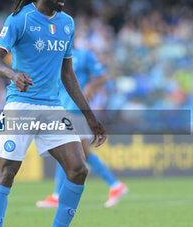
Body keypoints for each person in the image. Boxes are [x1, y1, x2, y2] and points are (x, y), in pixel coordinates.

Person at [0, 0, 106, 227]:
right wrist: (13, 74)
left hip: (52, 108)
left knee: (78, 169)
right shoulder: (20, 19)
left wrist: (89, 117)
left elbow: (68, 74)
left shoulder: (67, 24)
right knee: (7, 172)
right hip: (20, 106)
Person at [36, 47, 128, 209]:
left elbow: (103, 76)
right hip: (64, 108)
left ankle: (58, 195)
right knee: (81, 152)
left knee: (63, 147)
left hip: (75, 108)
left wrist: (91, 87)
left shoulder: (84, 56)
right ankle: (115, 185)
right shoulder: (54, 55)